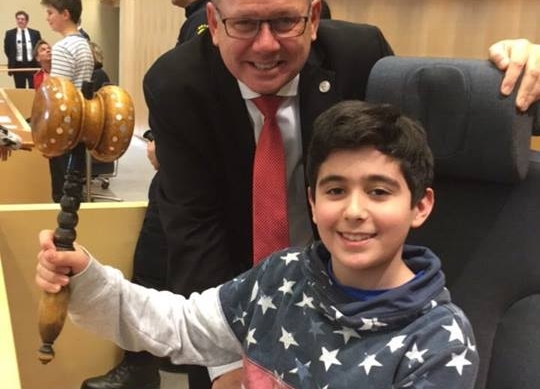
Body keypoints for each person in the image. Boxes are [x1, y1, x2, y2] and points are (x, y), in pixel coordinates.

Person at [143, 0, 539, 385]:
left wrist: (525, 71)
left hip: (351, 312)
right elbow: (194, 227)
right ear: (214, 23)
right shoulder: (177, 85)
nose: (265, 45)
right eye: (244, 24)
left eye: (284, 21)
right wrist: (226, 365)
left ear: (314, 18)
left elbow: (444, 128)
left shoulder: (359, 56)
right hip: (237, 300)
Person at [35, 100, 480, 388]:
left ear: (420, 206)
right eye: (335, 190)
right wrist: (87, 278)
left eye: (379, 191)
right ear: (312, 201)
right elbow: (183, 325)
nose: (354, 211)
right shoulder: (284, 274)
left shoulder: (439, 341)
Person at [79, 0, 212, 389]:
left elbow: (199, 110)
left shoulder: (206, 21)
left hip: (190, 181)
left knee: (162, 268)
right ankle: (144, 364)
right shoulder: (196, 19)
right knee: (157, 266)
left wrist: (165, 150)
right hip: (179, 174)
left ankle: (146, 366)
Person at [40, 0, 94, 203]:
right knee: (73, 188)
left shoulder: (63, 47)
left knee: (61, 191)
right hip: (80, 125)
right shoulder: (84, 43)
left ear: (65, 14)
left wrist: (49, 139)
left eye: (50, 13)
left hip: (64, 128)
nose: (47, 18)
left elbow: (57, 99)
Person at [3, 11, 42, 88]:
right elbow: (7, 50)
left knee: (33, 88)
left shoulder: (35, 33)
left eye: (22, 19)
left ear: (27, 21)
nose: (20, 21)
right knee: (20, 88)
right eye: (18, 19)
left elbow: (39, 48)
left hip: (32, 65)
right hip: (18, 66)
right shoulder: (10, 33)